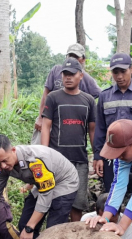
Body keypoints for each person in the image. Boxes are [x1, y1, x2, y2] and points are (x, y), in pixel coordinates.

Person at [0, 134, 79, 239]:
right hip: (41, 184)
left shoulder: (36, 161)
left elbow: (45, 195)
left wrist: (30, 228)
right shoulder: (2, 166)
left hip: (64, 183)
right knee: (24, 224)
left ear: (13, 150)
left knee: (53, 229)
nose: (3, 166)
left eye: (5, 160)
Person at [41, 57, 96, 222]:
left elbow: (92, 130)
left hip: (80, 160)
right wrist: (45, 153)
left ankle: (75, 233)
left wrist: (97, 156)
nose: (68, 77)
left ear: (80, 75)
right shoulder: (53, 98)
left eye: (72, 74)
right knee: (54, 198)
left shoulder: (89, 100)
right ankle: (53, 233)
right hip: (57, 159)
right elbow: (46, 126)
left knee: (77, 202)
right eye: (65, 74)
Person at [94, 52, 132, 191]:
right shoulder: (105, 96)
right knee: (111, 192)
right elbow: (100, 128)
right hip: (112, 155)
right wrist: (98, 156)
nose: (119, 76)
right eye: (115, 72)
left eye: (123, 71)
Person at [34, 43, 102, 132]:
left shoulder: (86, 78)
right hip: (49, 117)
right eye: (70, 56)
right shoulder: (57, 70)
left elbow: (100, 96)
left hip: (71, 122)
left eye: (76, 57)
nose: (73, 59)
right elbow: (46, 94)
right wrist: (40, 117)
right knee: (39, 143)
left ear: (83, 59)